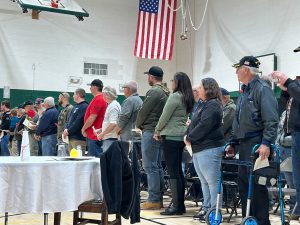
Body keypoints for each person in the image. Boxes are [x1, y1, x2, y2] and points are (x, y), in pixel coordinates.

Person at [226, 56, 278, 225]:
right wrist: (233, 143)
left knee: (256, 187)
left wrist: (266, 142)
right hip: (244, 145)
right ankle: (248, 220)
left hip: (257, 143)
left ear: (246, 70)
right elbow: (238, 121)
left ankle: (262, 222)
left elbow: (271, 119)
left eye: (238, 68)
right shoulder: (244, 91)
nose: (235, 72)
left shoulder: (262, 89)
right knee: (243, 185)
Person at [184, 78, 225, 221]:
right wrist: (188, 135)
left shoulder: (213, 105)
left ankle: (215, 210)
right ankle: (206, 208)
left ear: (208, 89)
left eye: (200, 87)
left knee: (212, 181)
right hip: (199, 148)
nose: (198, 90)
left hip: (210, 147)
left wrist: (190, 137)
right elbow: (194, 123)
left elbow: (204, 125)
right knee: (204, 181)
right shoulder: (203, 104)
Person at [155, 72, 194, 215]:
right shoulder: (187, 97)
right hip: (180, 137)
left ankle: (176, 206)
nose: (171, 82)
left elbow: (165, 115)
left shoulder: (175, 96)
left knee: (173, 172)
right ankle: (179, 205)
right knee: (178, 172)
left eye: (173, 80)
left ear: (177, 82)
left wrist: (157, 130)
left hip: (171, 136)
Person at [136, 66, 170, 210]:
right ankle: (158, 198)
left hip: (150, 130)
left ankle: (154, 199)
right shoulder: (165, 91)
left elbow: (143, 111)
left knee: (149, 166)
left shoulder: (154, 91)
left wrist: (138, 124)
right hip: (159, 131)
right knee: (156, 166)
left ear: (151, 76)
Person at [272, 70, 300, 219]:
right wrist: (285, 90)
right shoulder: (295, 86)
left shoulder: (295, 84)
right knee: (295, 180)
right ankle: (297, 210)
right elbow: (283, 108)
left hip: (295, 138)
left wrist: (289, 83)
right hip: (294, 137)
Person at [82, 79, 107, 157]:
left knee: (94, 159)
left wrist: (83, 128)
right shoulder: (100, 98)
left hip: (94, 135)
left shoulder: (99, 99)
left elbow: (92, 117)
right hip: (95, 134)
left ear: (95, 88)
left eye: (91, 87)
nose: (90, 89)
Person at [95, 86, 121, 152]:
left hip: (111, 139)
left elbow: (113, 124)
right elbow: (110, 122)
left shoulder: (113, 106)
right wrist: (101, 130)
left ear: (107, 95)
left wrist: (102, 134)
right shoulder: (112, 105)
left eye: (103, 94)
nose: (103, 96)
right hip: (110, 138)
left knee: (109, 160)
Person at [63, 88, 89, 153]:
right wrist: (66, 129)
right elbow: (68, 120)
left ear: (78, 95)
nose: (73, 96)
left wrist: (68, 131)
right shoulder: (75, 106)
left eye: (74, 94)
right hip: (70, 138)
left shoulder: (85, 106)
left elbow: (79, 121)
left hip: (79, 139)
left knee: (79, 160)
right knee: (71, 161)